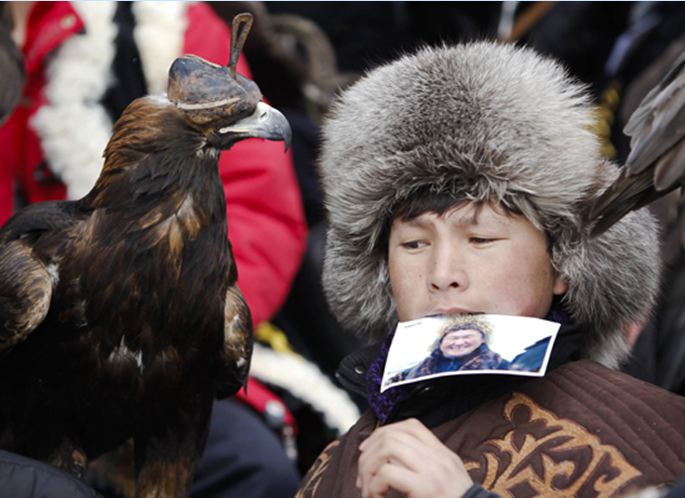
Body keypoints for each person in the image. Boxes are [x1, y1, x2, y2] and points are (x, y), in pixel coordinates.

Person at [296, 42, 685, 498]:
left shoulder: (649, 437)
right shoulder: (334, 464)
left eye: (481, 239)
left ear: (563, 260)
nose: (442, 273)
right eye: (414, 244)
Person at [0, 2, 306, 497]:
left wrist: (171, 308)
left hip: (168, 344)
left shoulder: (168, 21)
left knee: (255, 468)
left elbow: (263, 212)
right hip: (39, 345)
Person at [400, 318, 508, 381]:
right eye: (453, 338)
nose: (459, 342)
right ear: (440, 342)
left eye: (467, 337)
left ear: (483, 339)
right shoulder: (411, 372)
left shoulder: (503, 367)